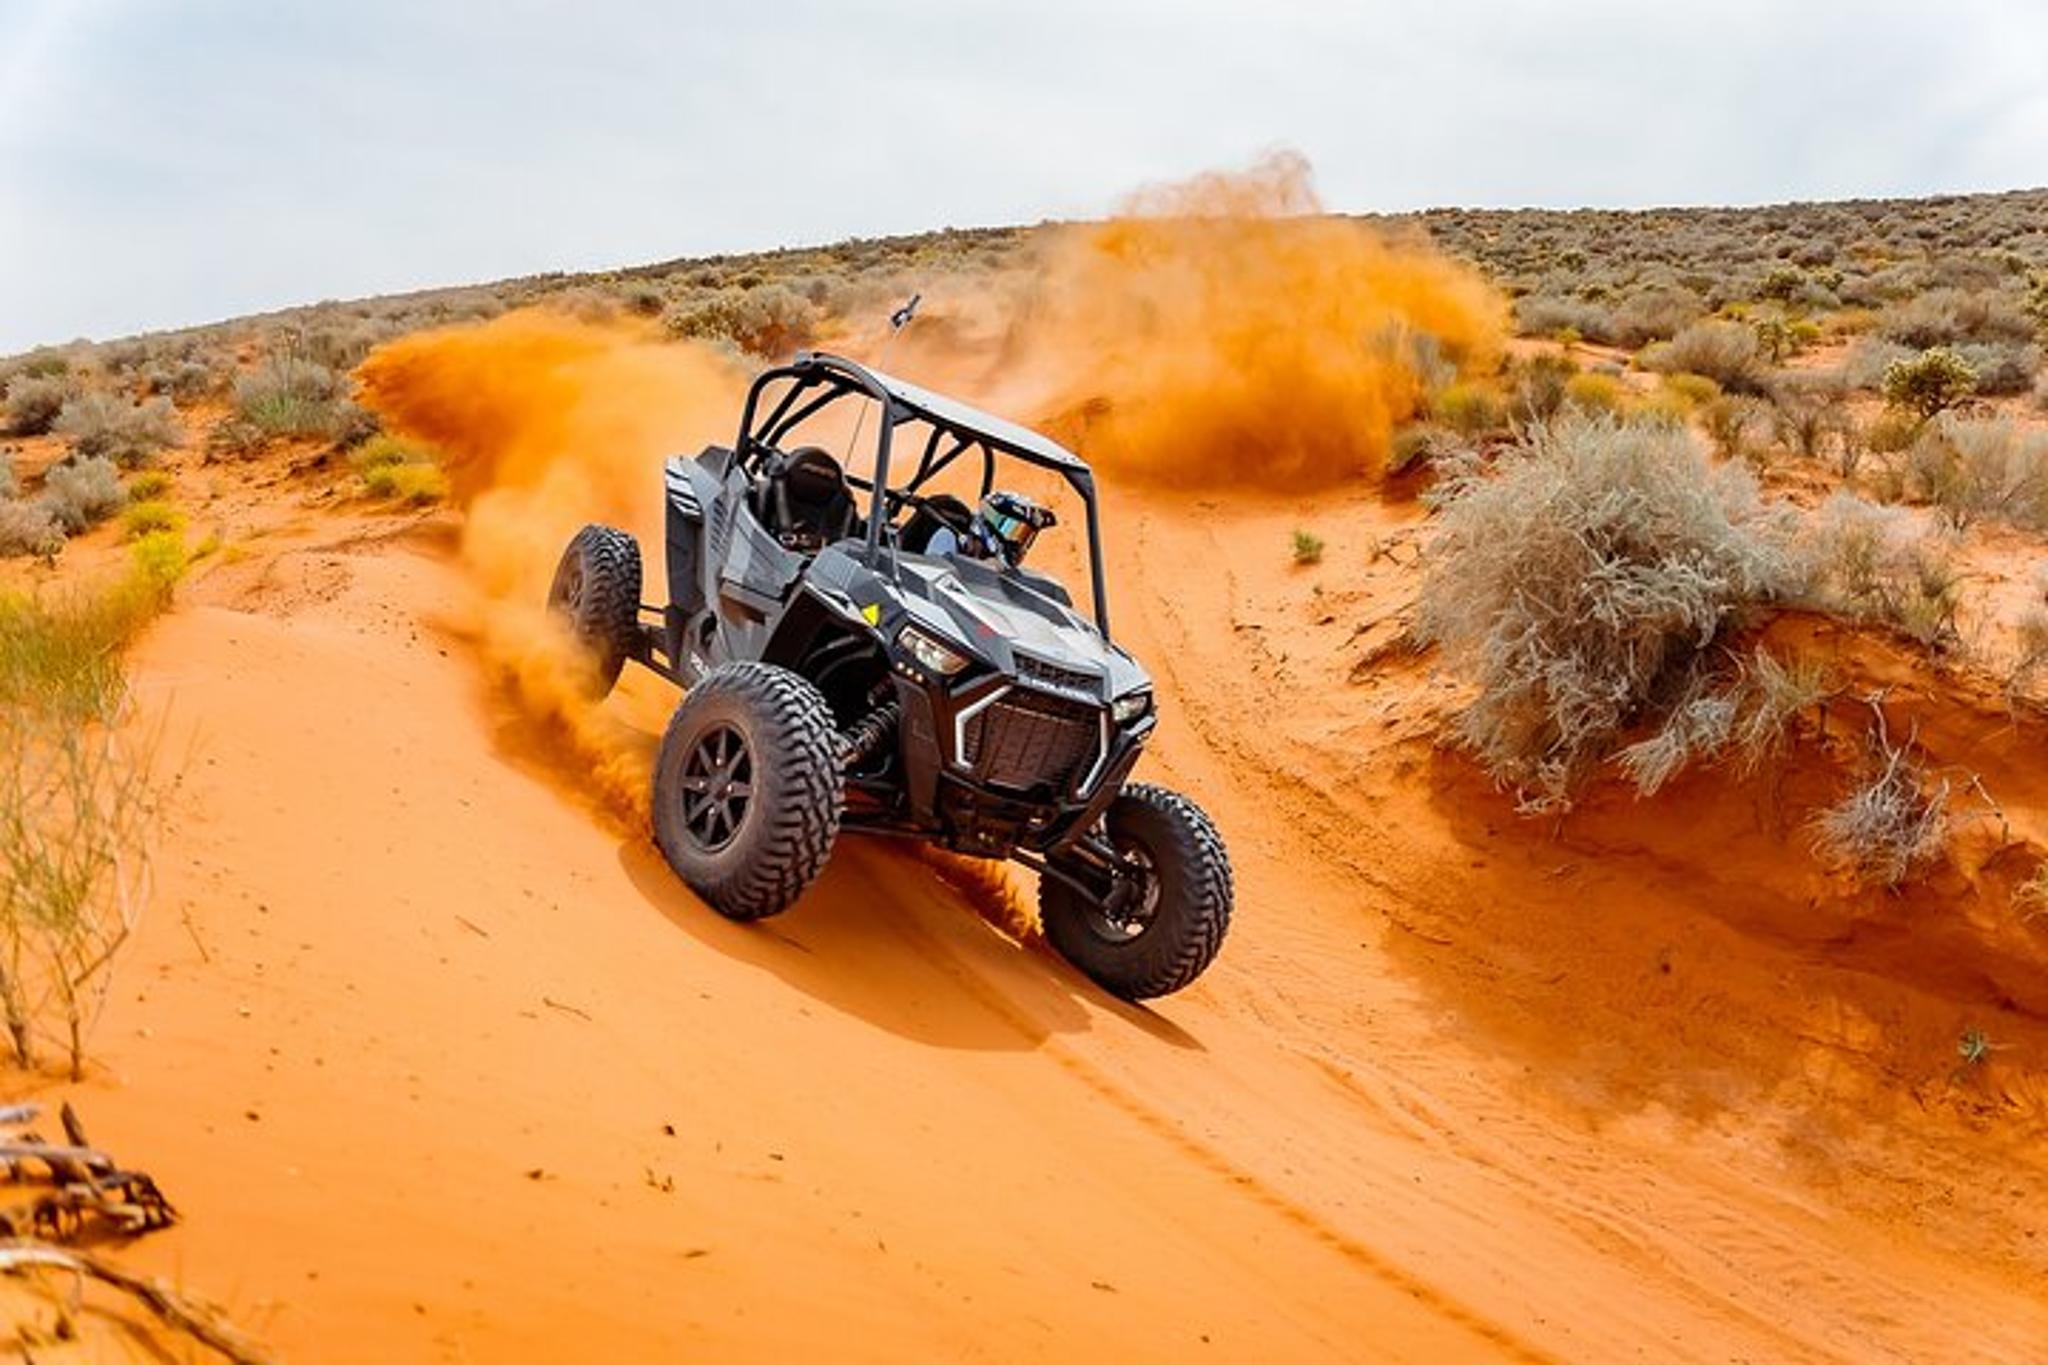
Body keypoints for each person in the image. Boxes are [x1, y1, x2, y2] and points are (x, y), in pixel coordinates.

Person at [926, 490, 1056, 568]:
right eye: (1013, 531)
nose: (1018, 543)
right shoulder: (947, 539)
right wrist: (979, 571)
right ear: (991, 521)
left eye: (1024, 537)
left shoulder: (997, 568)